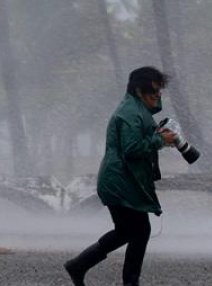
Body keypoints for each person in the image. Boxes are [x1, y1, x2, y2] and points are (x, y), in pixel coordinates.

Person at [64, 66, 177, 286]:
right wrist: (161, 141)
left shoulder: (137, 110)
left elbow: (138, 137)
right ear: (138, 90)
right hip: (120, 182)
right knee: (139, 231)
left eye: (160, 91)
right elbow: (132, 149)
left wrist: (158, 135)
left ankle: (78, 265)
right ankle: (128, 281)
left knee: (127, 231)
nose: (158, 95)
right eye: (153, 91)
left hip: (122, 180)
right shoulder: (129, 113)